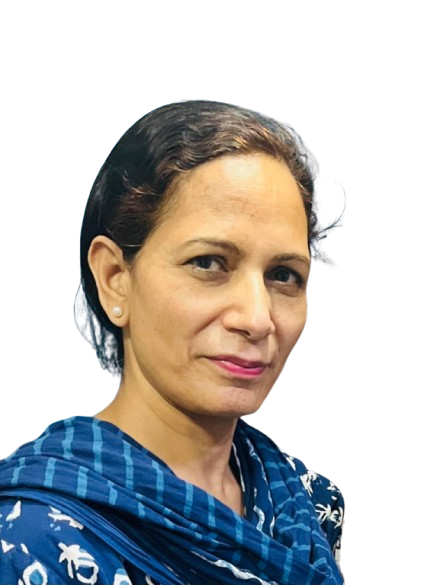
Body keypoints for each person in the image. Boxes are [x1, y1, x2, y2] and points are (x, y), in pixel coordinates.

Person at [0, 99, 347, 584]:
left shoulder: (308, 506)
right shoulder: (32, 538)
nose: (257, 318)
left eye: (284, 274)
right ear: (115, 279)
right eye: (208, 263)